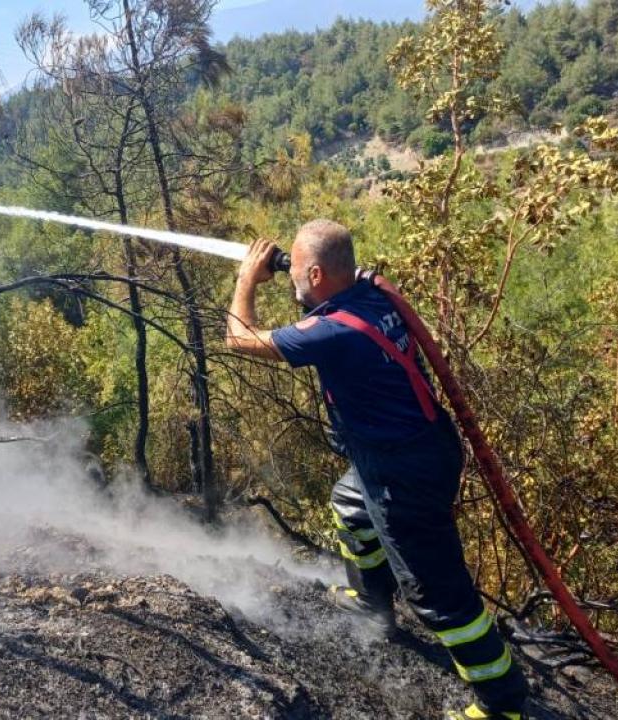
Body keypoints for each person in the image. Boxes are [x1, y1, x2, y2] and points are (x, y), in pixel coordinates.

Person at [224, 221, 529, 720]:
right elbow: (319, 305)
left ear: (317, 274)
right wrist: (292, 275)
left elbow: (238, 338)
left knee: (437, 593)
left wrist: (245, 281)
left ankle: (502, 703)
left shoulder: (334, 331)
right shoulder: (369, 296)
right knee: (350, 507)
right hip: (412, 449)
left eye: (295, 269)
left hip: (402, 471)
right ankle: (372, 604)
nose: (288, 275)